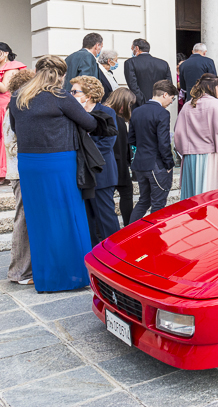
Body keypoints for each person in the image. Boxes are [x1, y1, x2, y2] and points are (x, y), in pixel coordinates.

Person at [9, 55, 98, 291]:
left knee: (39, 221)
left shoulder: (17, 96)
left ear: (36, 71)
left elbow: (16, 128)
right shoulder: (60, 96)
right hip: (58, 161)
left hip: (29, 163)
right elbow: (90, 124)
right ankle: (75, 275)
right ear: (61, 75)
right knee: (69, 217)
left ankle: (46, 277)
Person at [175, 73, 218, 199]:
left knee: (193, 195)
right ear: (211, 87)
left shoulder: (187, 105)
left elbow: (178, 133)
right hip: (212, 155)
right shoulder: (215, 104)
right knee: (212, 194)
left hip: (191, 158)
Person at [71, 75, 120, 245]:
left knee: (106, 219)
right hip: (81, 173)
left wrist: (83, 153)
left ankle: (115, 255)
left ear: (88, 95)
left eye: (75, 91)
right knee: (88, 220)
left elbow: (107, 143)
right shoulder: (73, 114)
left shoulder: (106, 112)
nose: (71, 95)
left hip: (101, 172)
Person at [129, 80, 177, 222]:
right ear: (165, 94)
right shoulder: (162, 113)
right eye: (172, 99)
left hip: (139, 163)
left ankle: (130, 233)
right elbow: (163, 143)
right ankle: (154, 238)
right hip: (156, 165)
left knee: (144, 201)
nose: (170, 102)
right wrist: (169, 163)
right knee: (158, 204)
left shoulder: (136, 111)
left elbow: (131, 139)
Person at [5, 69, 35, 284]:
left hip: (21, 169)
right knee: (22, 219)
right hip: (19, 170)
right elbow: (10, 142)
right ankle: (19, 272)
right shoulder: (13, 109)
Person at [104, 88, 136, 227]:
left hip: (115, 161)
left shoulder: (108, 113)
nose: (129, 107)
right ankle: (127, 226)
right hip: (116, 162)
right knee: (126, 193)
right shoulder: (113, 116)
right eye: (129, 104)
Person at [0, 42, 26, 184]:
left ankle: (3, 172)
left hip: (4, 105)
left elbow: (4, 88)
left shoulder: (12, 66)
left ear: (4, 53)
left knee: (5, 137)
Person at [124, 38, 172, 106]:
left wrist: (144, 103)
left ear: (137, 48)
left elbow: (133, 86)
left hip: (139, 105)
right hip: (159, 104)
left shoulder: (130, 63)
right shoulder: (163, 64)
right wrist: (160, 102)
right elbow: (168, 85)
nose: (132, 51)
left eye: (132, 49)